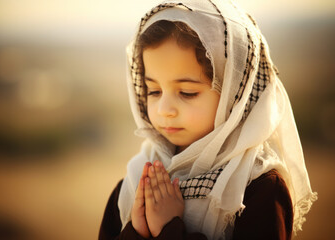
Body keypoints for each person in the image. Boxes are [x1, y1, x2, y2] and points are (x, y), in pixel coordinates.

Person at [99, 0, 317, 239]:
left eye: (187, 93)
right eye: (153, 91)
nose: (164, 110)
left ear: (235, 96)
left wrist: (168, 230)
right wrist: (136, 232)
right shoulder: (134, 184)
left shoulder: (258, 188)